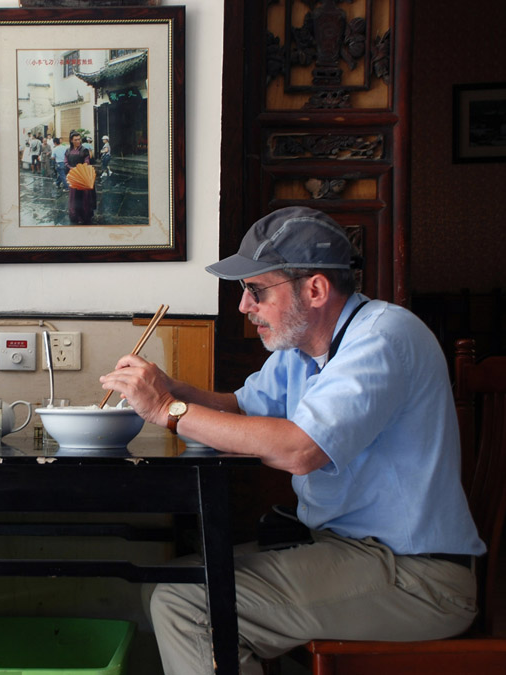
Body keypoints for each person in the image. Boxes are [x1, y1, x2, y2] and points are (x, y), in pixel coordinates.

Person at [99, 206, 484, 675]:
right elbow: (239, 410)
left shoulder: (381, 338)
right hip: (348, 551)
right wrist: (173, 389)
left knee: (187, 605)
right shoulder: (304, 349)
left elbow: (301, 450)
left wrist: (165, 410)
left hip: (417, 576)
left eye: (256, 290)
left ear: (316, 289)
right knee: (164, 581)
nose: (244, 306)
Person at [65, 131, 95, 224]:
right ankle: (74, 216)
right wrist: (72, 169)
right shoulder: (68, 150)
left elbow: (87, 162)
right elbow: (66, 162)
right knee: (74, 197)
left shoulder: (84, 150)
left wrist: (78, 169)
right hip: (73, 177)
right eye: (75, 140)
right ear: (71, 140)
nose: (78, 141)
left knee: (84, 197)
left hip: (82, 177)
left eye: (79, 139)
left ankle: (84, 216)